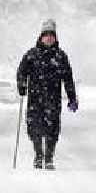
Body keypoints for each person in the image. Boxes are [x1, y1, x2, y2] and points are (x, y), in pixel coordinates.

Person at [17, 19, 78, 170]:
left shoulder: (60, 56)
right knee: (34, 128)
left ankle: (49, 157)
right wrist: (22, 85)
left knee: (52, 128)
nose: (49, 38)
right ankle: (38, 155)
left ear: (55, 38)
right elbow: (21, 72)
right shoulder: (31, 55)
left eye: (52, 35)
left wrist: (72, 98)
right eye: (46, 35)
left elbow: (68, 78)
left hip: (53, 99)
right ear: (41, 36)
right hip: (35, 99)